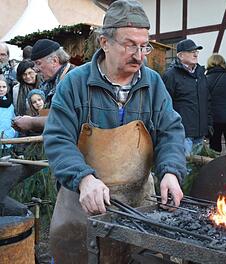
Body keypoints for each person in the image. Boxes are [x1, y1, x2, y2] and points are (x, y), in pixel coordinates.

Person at [43, 0, 186, 263]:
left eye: (144, 45)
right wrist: (83, 178)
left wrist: (171, 172)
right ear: (104, 43)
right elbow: (57, 140)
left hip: (139, 203)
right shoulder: (75, 84)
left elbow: (171, 132)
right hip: (83, 199)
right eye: (130, 44)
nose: (139, 54)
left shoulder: (153, 83)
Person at [162, 38, 212, 156]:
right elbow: (164, 105)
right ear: (180, 55)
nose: (195, 54)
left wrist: (209, 124)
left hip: (200, 132)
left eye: (196, 51)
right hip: (182, 133)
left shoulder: (200, 75)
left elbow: (207, 101)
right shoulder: (171, 75)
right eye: (191, 51)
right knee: (185, 168)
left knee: (198, 169)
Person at [12, 39, 73, 132]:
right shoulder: (49, 83)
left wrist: (31, 122)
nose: (36, 70)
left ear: (54, 61)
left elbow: (66, 121)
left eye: (38, 63)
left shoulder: (73, 80)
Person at [0, 78, 17, 155]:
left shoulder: (10, 103)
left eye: (4, 87)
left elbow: (13, 119)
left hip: (9, 140)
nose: (1, 89)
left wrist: (13, 132)